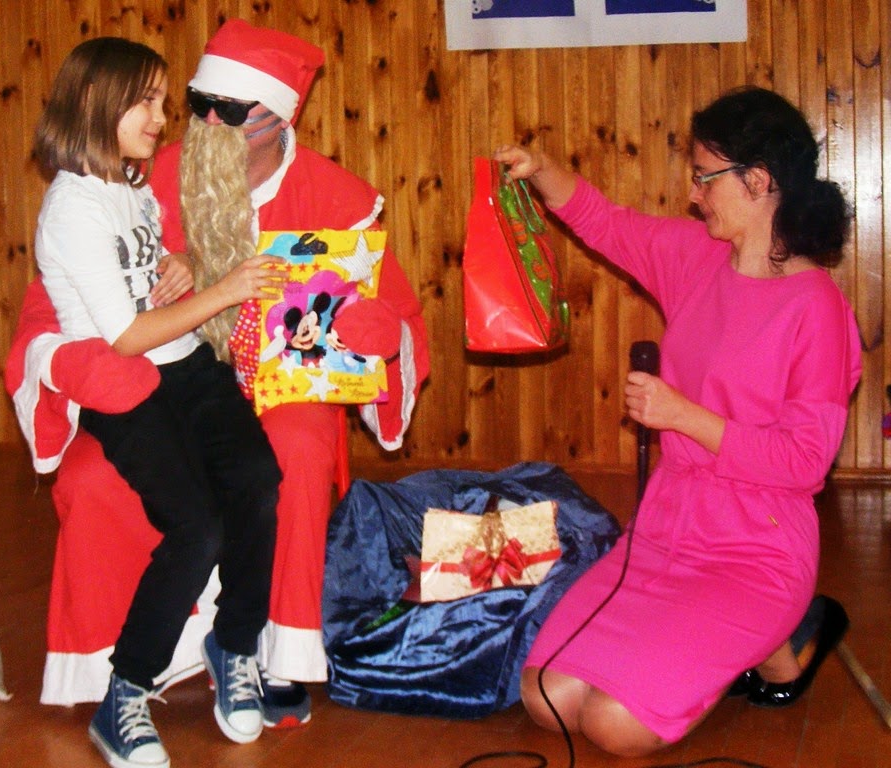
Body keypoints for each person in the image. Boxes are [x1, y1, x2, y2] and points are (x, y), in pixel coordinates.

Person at [494, 85, 861, 756]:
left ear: (758, 180)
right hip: (668, 529)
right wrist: (541, 169)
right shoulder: (696, 257)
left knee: (614, 724)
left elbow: (805, 463)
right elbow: (604, 221)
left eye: (704, 176)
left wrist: (685, 417)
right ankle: (760, 648)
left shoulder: (818, 310)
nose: (694, 195)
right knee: (547, 697)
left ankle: (773, 636)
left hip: (755, 551)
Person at [148, 19, 429, 728]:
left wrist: (376, 333)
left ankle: (275, 651)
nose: (210, 123)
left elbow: (397, 315)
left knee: (300, 447)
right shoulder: (153, 178)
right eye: (199, 103)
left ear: (278, 118)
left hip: (283, 387)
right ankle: (150, 648)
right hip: (174, 375)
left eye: (231, 109)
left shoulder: (339, 199)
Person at [32, 37, 285, 765]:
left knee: (258, 480)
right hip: (125, 383)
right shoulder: (73, 208)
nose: (161, 115)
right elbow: (126, 335)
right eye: (146, 100)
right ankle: (125, 693)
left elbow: (141, 279)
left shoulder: (129, 183)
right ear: (96, 102)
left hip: (185, 366)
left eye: (161, 100)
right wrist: (225, 288)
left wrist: (175, 265)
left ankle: (235, 644)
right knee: (196, 528)